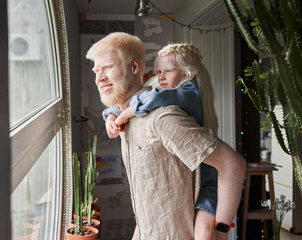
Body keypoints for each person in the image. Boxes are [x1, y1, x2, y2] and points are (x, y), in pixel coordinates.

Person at [86, 32, 246, 240]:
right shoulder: (129, 119)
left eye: (107, 67)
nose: (99, 78)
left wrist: (222, 229)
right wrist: (112, 116)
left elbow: (232, 164)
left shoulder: (163, 118)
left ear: (134, 67)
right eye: (96, 70)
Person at [102, 43, 219, 240]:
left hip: (206, 182)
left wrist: (125, 114)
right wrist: (112, 116)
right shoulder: (163, 85)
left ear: (188, 73)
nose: (161, 76)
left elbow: (154, 98)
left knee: (203, 234)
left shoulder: (189, 92)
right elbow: (131, 99)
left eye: (168, 71)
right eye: (158, 71)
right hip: (188, 180)